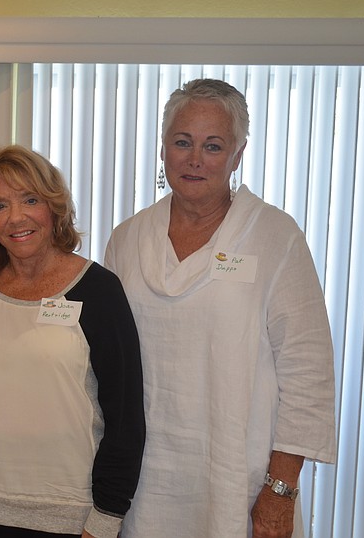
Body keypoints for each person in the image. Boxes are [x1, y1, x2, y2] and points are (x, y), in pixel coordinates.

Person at [105, 78, 336, 538]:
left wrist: (280, 491)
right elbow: (107, 363)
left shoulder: (274, 237)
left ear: (237, 154)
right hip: (145, 482)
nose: (194, 159)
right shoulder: (127, 239)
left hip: (240, 480)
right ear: (163, 148)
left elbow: (308, 372)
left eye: (213, 146)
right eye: (182, 142)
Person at [0, 145, 145, 538]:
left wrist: (106, 521)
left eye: (30, 199)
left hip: (72, 518)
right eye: (0, 206)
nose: (17, 217)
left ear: (53, 208)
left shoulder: (99, 291)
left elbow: (126, 419)